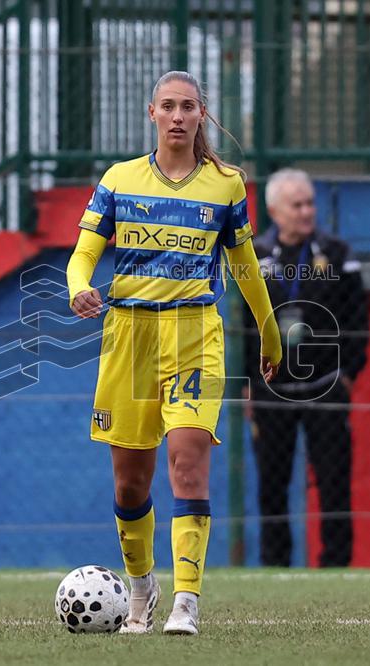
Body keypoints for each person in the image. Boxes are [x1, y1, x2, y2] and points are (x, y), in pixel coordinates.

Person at [65, 71, 282, 635]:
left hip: (194, 335)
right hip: (130, 338)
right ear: (152, 113)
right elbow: (83, 254)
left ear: (201, 114)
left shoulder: (226, 184)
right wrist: (78, 286)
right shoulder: (119, 179)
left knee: (187, 463)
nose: (178, 116)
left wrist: (268, 330)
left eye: (188, 106)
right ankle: (141, 590)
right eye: (168, 106)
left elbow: (244, 265)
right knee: (130, 484)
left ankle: (186, 600)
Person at [245, 169, 369, 567]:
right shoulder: (255, 256)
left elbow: (357, 319)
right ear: (274, 210)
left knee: (334, 480)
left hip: (326, 385)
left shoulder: (336, 254)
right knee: (272, 483)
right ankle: (275, 565)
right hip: (272, 390)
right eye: (297, 205)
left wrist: (349, 373)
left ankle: (337, 564)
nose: (306, 212)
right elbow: (244, 324)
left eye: (310, 203)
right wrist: (248, 382)